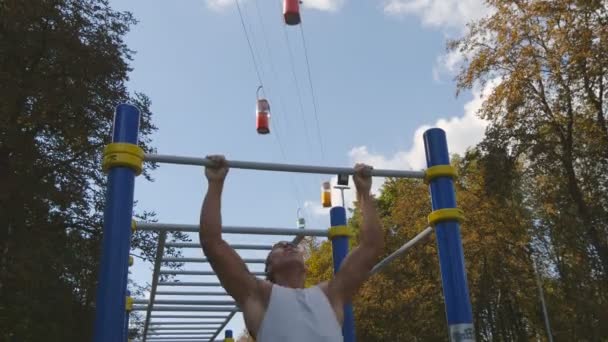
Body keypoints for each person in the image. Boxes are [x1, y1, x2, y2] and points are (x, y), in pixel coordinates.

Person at [200, 155, 384, 341]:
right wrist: (216, 184)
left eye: (291, 245)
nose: (288, 244)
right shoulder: (257, 296)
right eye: (279, 247)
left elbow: (371, 246)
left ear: (306, 266)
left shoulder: (330, 295)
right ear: (269, 268)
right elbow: (212, 243)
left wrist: (363, 192)